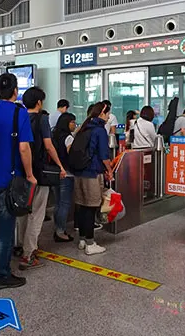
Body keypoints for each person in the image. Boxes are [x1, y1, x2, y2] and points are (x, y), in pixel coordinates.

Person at [0, 73, 35, 290]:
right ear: (15, 91)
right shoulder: (19, 114)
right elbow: (24, 148)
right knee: (5, 228)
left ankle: (0, 262)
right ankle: (2, 274)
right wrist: (29, 175)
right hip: (8, 180)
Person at [16, 87, 66, 270]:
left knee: (22, 212)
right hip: (37, 172)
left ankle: (22, 246)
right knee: (37, 213)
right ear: (39, 102)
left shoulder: (19, 117)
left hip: (20, 171)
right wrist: (60, 166)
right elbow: (48, 146)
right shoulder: (42, 119)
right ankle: (29, 254)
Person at [72, 102, 113, 255]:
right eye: (108, 113)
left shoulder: (84, 127)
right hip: (92, 173)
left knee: (82, 206)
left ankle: (82, 239)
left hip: (79, 172)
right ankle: (90, 243)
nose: (109, 116)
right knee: (90, 207)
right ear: (102, 113)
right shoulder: (99, 130)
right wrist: (109, 171)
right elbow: (104, 155)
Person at [52, 112, 77, 242]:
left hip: (54, 173)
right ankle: (60, 231)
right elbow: (72, 156)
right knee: (65, 204)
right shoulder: (68, 138)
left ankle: (57, 228)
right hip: (66, 174)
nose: (74, 125)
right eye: (73, 122)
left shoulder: (54, 135)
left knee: (57, 203)